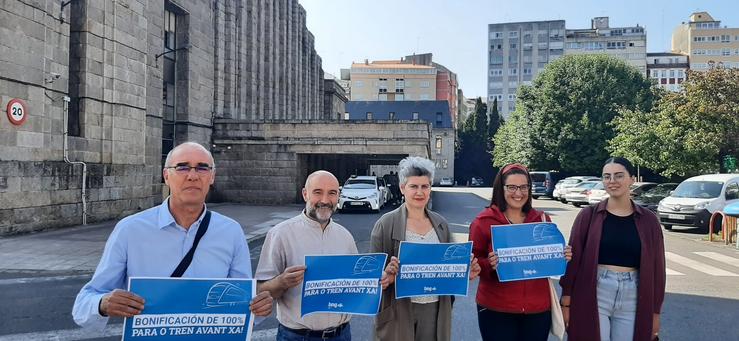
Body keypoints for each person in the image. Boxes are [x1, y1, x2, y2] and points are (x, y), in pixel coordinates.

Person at [72, 142, 273, 330]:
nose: (193, 176)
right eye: (182, 167)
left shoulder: (231, 231)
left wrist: (259, 307)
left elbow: (242, 301)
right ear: (166, 175)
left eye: (202, 168)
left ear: (211, 177)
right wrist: (102, 304)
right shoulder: (130, 230)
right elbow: (83, 304)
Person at [370, 156, 481, 341]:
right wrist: (384, 276)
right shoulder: (385, 225)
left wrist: (464, 273)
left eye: (425, 186)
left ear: (430, 188)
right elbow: (371, 277)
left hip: (434, 309)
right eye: (414, 186)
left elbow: (449, 268)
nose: (420, 192)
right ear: (402, 188)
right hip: (399, 310)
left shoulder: (441, 224)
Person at [560, 157, 665, 341]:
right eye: (607, 176)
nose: (612, 181)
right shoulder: (588, 216)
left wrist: (655, 312)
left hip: (634, 294)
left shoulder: (648, 220)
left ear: (632, 179)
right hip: (594, 291)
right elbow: (573, 260)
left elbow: (658, 268)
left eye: (618, 176)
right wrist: (566, 302)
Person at [469, 163, 572, 341]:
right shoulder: (483, 222)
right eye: (512, 187)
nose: (518, 193)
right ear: (501, 189)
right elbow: (473, 262)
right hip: (496, 309)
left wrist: (562, 255)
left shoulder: (542, 219)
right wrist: (489, 265)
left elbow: (549, 260)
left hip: (538, 309)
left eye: (524, 187)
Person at [255, 170, 361, 341]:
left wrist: (379, 279)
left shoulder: (345, 236)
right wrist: (281, 281)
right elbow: (260, 292)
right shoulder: (280, 234)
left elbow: (357, 283)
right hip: (297, 337)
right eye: (318, 192)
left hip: (341, 335)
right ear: (305, 194)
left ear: (338, 196)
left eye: (332, 193)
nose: (325, 200)